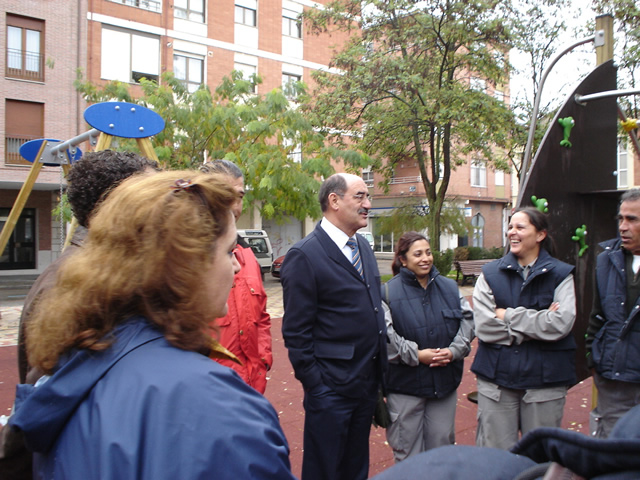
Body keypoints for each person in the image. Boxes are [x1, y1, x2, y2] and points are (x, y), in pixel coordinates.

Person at [8, 171, 295, 479]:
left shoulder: (72, 360)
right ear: (184, 265)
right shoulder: (219, 406)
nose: (237, 266)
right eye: (228, 251)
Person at [0, 150, 158, 480]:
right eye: (150, 195)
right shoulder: (81, 288)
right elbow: (40, 403)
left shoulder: (96, 273)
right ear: (117, 206)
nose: (163, 208)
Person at [281, 173, 387, 480]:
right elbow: (296, 332)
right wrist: (317, 385)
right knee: (325, 470)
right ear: (334, 200)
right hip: (331, 390)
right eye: (360, 196)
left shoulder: (363, 248)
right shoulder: (305, 255)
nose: (368, 204)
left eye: (368, 198)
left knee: (355, 469)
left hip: (366, 384)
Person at [471, 206, 577, 449]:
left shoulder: (561, 274)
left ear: (540, 235)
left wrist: (507, 314)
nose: (512, 232)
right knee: (497, 459)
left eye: (520, 227)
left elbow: (561, 324)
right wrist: (538, 325)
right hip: (497, 381)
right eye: (510, 227)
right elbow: (485, 327)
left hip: (545, 381)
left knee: (541, 458)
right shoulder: (489, 274)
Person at [383, 231, 474, 462]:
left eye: (428, 252)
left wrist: (455, 350)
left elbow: (468, 321)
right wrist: (416, 355)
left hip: (443, 384)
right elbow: (385, 336)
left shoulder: (449, 288)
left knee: (442, 451)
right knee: (407, 453)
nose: (425, 258)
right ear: (403, 260)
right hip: (404, 386)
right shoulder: (387, 292)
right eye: (418, 254)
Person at [200, 159, 272, 393]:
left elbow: (261, 317)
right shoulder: (183, 260)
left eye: (239, 196)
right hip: (211, 390)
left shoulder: (247, 257)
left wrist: (263, 358)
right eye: (222, 194)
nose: (233, 205)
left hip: (252, 384)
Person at [587, 188, 640, 438]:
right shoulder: (607, 259)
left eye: (632, 219)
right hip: (613, 380)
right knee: (614, 453)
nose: (623, 226)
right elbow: (598, 315)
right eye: (621, 218)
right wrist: (593, 356)